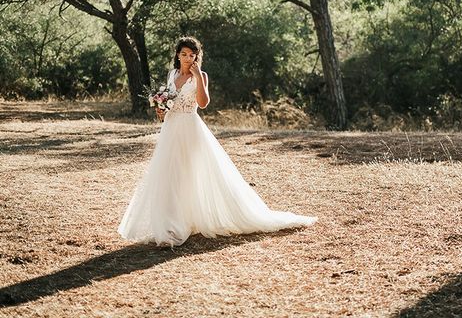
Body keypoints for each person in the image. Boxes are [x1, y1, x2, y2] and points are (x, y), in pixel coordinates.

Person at [118, 36, 317, 247]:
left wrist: (198, 77)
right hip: (170, 128)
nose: (187, 58)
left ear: (196, 57)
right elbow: (168, 102)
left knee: (189, 174)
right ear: (177, 55)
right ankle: (170, 226)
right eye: (184, 54)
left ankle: (182, 226)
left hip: (190, 128)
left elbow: (203, 104)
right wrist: (161, 108)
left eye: (191, 55)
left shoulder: (200, 75)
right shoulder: (172, 74)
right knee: (169, 175)